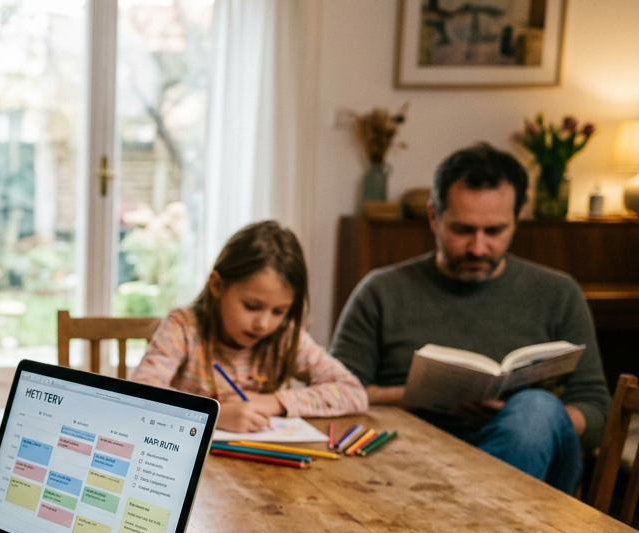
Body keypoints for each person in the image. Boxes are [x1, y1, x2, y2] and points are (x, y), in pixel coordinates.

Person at [330, 143, 610, 493]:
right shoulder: (382, 290)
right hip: (409, 468)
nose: (478, 248)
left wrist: (526, 421)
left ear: (517, 218)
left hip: (532, 466)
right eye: (463, 230)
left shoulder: (558, 293)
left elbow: (597, 410)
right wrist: (425, 396)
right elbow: (335, 394)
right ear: (434, 217)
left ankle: (476, 513)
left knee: (535, 408)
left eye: (494, 231)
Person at [131, 220, 368, 433]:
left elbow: (353, 392)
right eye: (252, 306)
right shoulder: (184, 327)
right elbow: (141, 395)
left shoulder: (284, 336)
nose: (263, 324)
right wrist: (214, 415)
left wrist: (274, 402)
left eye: (279, 311)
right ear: (217, 285)